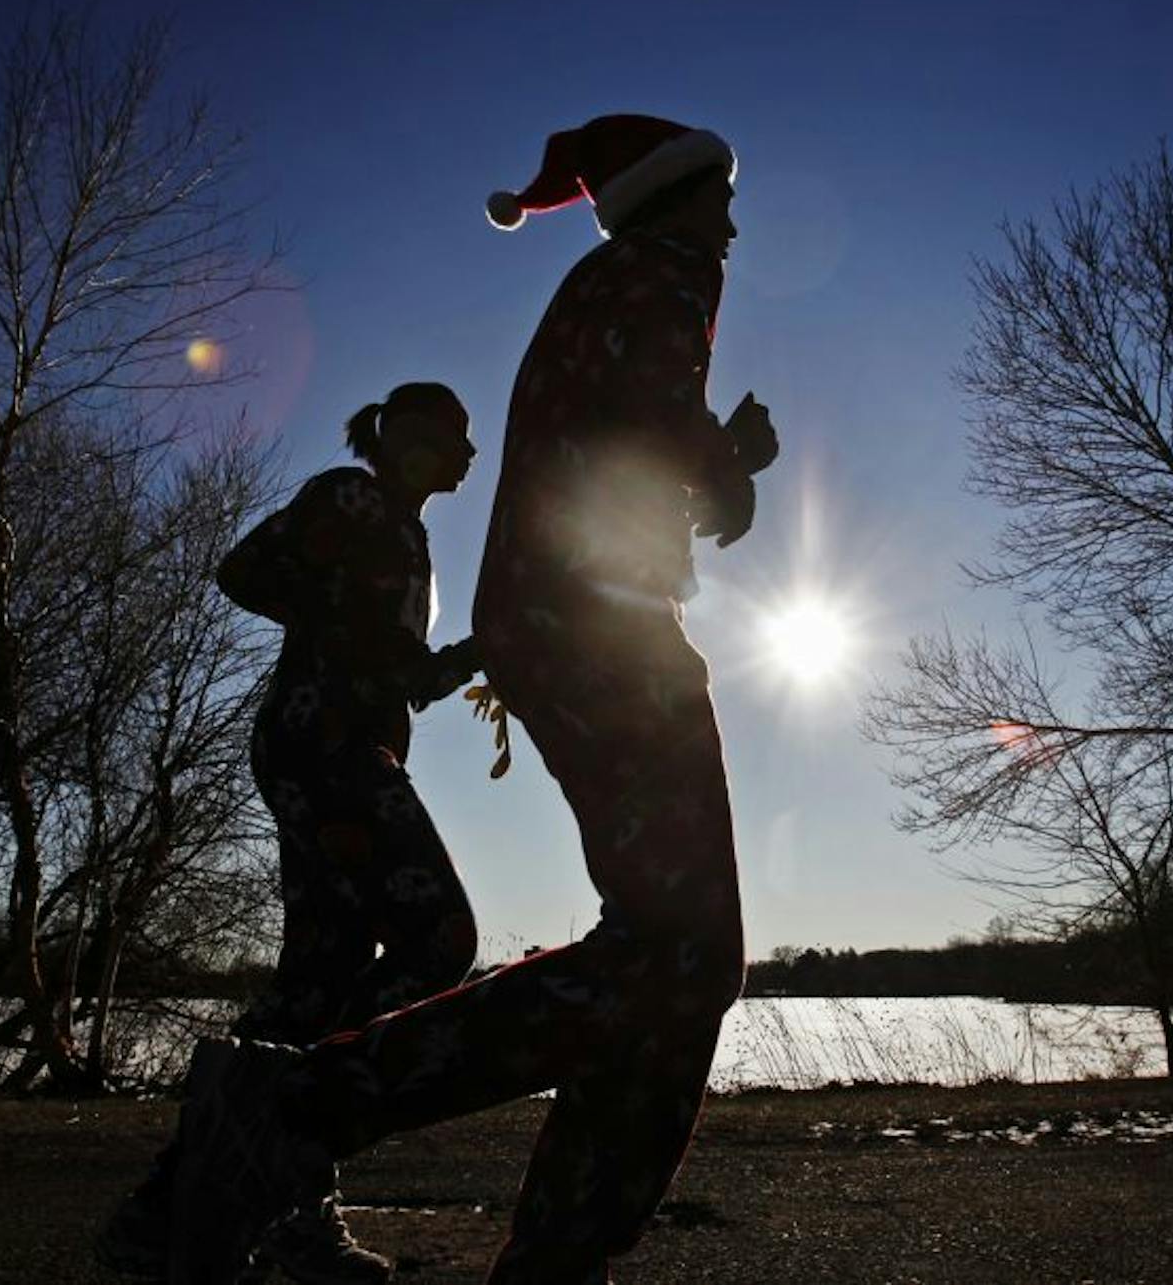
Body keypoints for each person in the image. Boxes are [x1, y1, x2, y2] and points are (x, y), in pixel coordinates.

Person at [163, 114, 779, 1285]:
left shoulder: (616, 281)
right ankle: (291, 1110)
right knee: (683, 950)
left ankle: (536, 1244)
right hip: (594, 629)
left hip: (570, 621)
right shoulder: (661, 269)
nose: (735, 223)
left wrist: (711, 466)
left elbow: (623, 445)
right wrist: (723, 464)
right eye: (720, 196)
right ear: (672, 202)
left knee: (667, 951)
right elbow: (647, 428)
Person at [99, 382, 484, 1284]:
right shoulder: (351, 499)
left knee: (318, 981)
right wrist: (327, 619)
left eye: (465, 444)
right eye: (446, 440)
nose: (462, 456)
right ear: (404, 442)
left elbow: (412, 678)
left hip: (350, 747)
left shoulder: (410, 534)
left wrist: (488, 650)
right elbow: (245, 570)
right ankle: (285, 1153)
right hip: (324, 747)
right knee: (441, 937)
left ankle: (199, 1207)